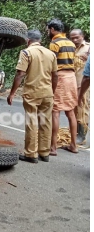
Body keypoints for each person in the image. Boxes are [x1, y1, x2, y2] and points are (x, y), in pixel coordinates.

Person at [7, 30, 58, 163]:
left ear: (27, 40)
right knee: (46, 122)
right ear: (39, 40)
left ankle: (31, 154)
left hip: (32, 93)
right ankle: (44, 153)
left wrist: (12, 93)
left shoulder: (26, 52)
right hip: (48, 93)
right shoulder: (51, 53)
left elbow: (20, 74)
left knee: (32, 122)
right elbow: (55, 75)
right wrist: (52, 91)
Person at [47, 18, 78, 155]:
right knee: (70, 111)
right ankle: (74, 145)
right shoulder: (71, 43)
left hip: (60, 77)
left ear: (53, 29)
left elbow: (52, 64)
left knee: (55, 111)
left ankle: (53, 148)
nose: (48, 32)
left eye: (49, 29)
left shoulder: (54, 43)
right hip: (71, 78)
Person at [70, 29, 90, 144]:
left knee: (83, 109)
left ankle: (82, 136)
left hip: (84, 84)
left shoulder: (89, 48)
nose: (75, 40)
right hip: (72, 83)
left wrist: (88, 60)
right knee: (74, 108)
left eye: (77, 37)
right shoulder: (71, 48)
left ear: (82, 36)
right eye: (72, 38)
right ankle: (75, 133)